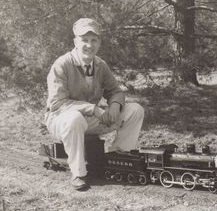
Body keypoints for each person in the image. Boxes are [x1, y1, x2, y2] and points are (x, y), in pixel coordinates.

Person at [45, 18, 144, 190]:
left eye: (94, 40)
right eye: (84, 40)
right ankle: (78, 173)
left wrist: (114, 105)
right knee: (74, 118)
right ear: (75, 42)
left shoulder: (99, 64)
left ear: (99, 43)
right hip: (61, 121)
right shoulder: (62, 64)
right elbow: (57, 103)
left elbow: (116, 91)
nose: (89, 45)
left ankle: (117, 158)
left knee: (135, 110)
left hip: (91, 119)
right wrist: (93, 108)